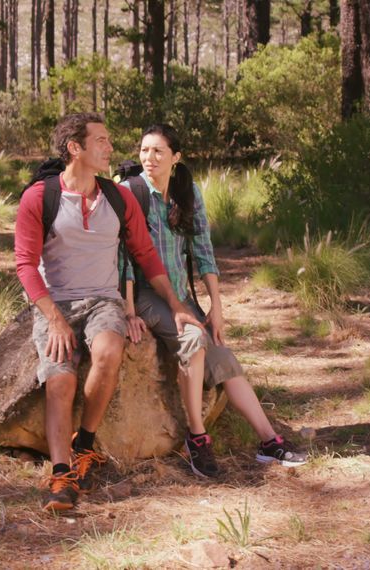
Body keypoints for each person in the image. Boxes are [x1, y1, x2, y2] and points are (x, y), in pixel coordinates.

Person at [14, 113, 202, 511]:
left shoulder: (118, 198)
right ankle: (62, 475)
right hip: (57, 302)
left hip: (103, 300)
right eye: (101, 141)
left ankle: (84, 445)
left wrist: (176, 305)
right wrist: (54, 319)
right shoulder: (39, 197)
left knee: (109, 351)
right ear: (75, 149)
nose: (110, 148)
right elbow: (26, 265)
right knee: (60, 381)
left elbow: (146, 255)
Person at [122, 124, 307, 478]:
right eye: (145, 150)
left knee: (223, 355)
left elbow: (203, 251)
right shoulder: (130, 193)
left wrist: (216, 309)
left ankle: (269, 442)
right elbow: (124, 259)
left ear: (176, 157)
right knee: (192, 341)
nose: (150, 158)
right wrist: (129, 310)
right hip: (147, 295)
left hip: (180, 296)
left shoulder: (186, 191)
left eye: (159, 151)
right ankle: (197, 437)